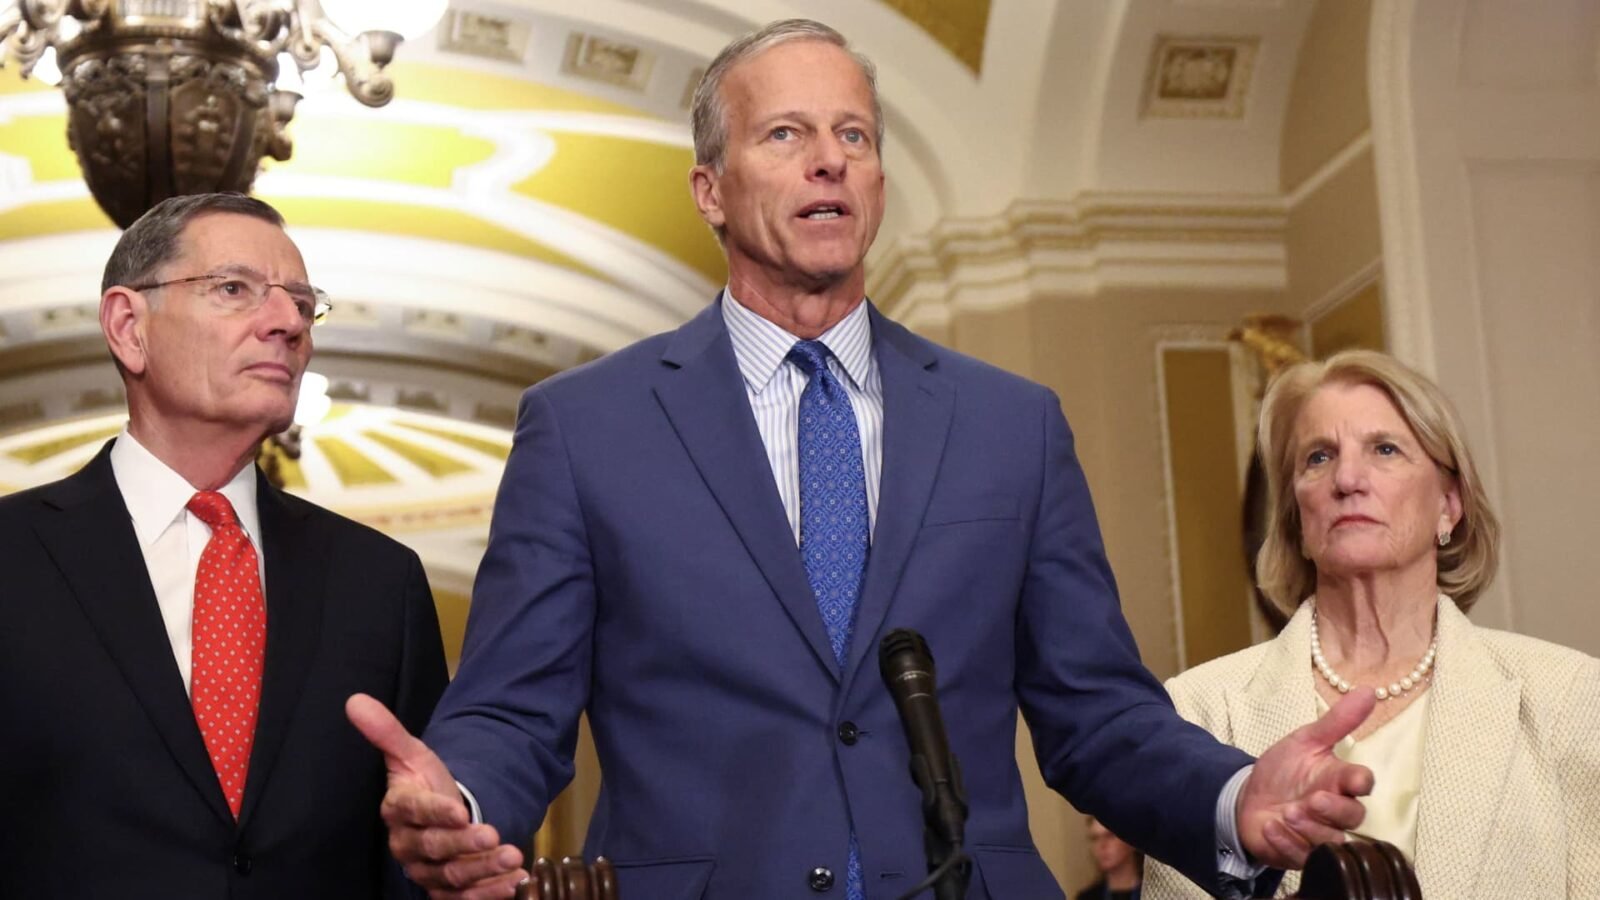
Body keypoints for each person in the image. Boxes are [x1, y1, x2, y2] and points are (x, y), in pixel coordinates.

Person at [347, 20, 1379, 900]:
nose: (830, 159)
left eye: (854, 135)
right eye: (786, 134)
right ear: (709, 189)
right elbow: (514, 710)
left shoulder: (1010, 425)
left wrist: (1235, 798)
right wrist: (462, 803)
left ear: (878, 181)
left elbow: (1096, 711)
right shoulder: (585, 428)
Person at [0, 192, 449, 898]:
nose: (287, 324)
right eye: (235, 289)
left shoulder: (380, 583)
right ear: (128, 326)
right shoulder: (13, 558)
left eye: (303, 304)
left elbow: (413, 858)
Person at [1143, 350, 1600, 899]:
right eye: (1319, 457)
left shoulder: (1569, 697)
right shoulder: (1198, 711)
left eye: (1384, 449)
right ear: (1298, 518)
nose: (1347, 478)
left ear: (1448, 506)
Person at [1076, 817, 1143, 900]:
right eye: (1095, 838)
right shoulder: (1086, 898)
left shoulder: (1156, 892)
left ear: (1131, 840)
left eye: (1110, 836)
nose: (1102, 845)